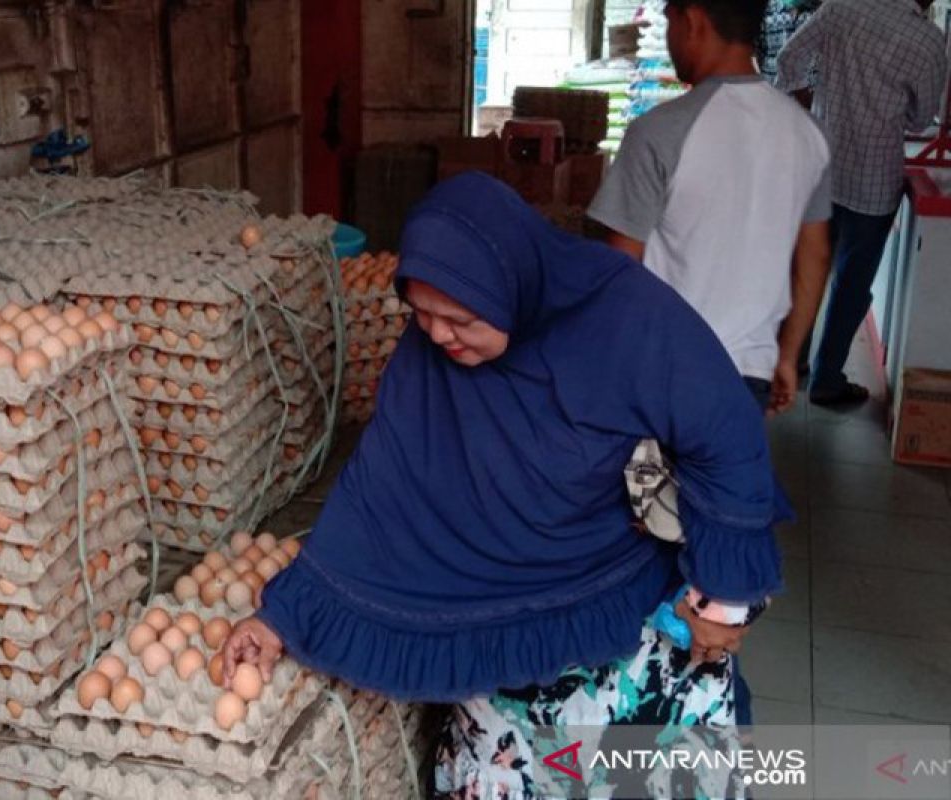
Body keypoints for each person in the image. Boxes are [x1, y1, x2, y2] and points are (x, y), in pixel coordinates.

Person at [221, 173, 787, 798]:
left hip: (618, 620)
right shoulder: (430, 362)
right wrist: (284, 617)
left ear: (510, 284)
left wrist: (726, 596)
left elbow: (727, 439)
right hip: (495, 641)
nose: (438, 336)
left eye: (459, 318)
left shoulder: (626, 317)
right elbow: (378, 490)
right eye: (421, 314)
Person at [588, 0, 832, 419]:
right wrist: (787, 357)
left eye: (669, 22)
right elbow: (815, 256)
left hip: (665, 370)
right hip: (748, 377)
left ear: (694, 20)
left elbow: (620, 268)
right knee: (720, 482)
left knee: (645, 484)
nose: (668, 38)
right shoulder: (808, 134)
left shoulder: (658, 131)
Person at [776, 0, 947, 407]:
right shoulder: (926, 39)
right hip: (875, 180)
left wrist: (811, 102)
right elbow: (923, 119)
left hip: (823, 165)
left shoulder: (841, 8)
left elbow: (788, 59)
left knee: (807, 265)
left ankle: (791, 358)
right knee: (851, 285)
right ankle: (827, 379)